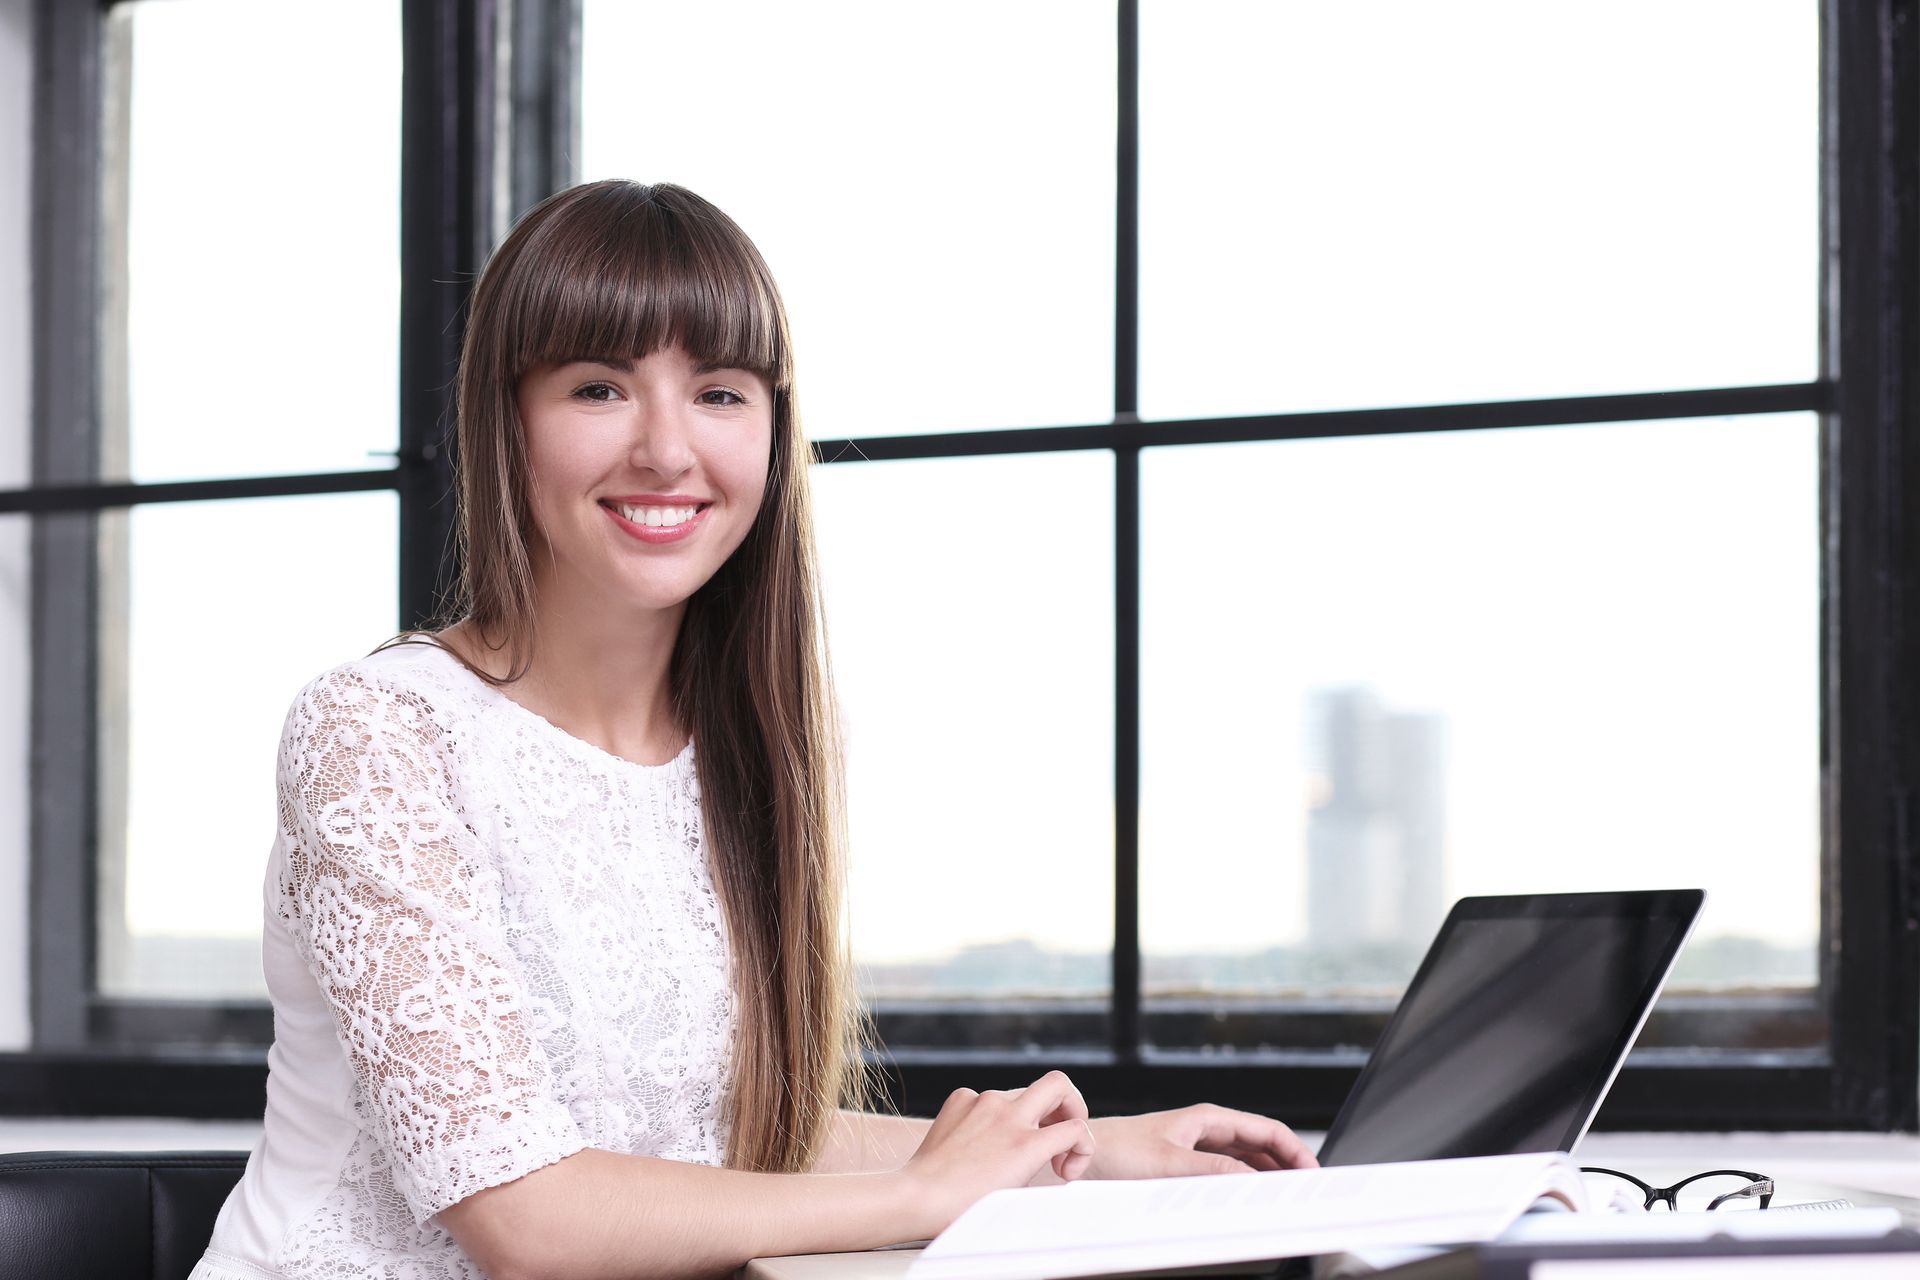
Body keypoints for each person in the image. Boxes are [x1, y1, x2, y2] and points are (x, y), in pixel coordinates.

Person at [189, 179, 1316, 1280]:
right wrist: (927, 1193)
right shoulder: (380, 731)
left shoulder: (737, 747)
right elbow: (526, 1218)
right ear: (507, 419)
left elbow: (719, 1134)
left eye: (721, 392)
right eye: (598, 388)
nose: (669, 451)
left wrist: (1082, 1153)